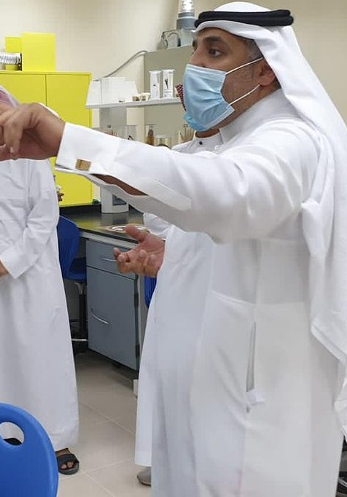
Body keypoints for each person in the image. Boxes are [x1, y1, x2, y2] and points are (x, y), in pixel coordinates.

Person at [0, 2, 347, 496]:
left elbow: (226, 195)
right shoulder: (232, 142)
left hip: (261, 398)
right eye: (195, 51)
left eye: (215, 52)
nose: (196, 67)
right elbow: (229, 227)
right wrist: (174, 253)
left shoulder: (292, 140)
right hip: (214, 379)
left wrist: (72, 143)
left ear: (266, 71)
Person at [0, 81, 80, 475]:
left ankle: (55, 438)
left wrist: (8, 261)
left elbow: (43, 219)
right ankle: (3, 433)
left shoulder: (30, 160)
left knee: (38, 357)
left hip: (29, 280)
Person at [135, 86, 222, 487]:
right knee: (166, 372)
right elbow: (157, 221)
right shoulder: (177, 157)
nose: (190, 104)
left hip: (216, 293)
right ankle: (161, 457)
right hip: (176, 284)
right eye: (185, 97)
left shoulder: (247, 157)